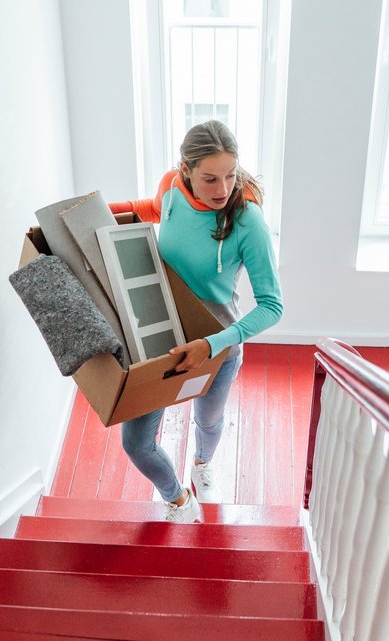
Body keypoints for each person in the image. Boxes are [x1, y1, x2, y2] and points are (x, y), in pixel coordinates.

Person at [109, 120, 283, 523]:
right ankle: (176, 499)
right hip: (160, 337)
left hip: (215, 348)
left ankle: (203, 464)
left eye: (230, 176)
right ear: (185, 170)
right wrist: (95, 210)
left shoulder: (247, 221)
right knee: (136, 443)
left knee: (208, 418)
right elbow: (154, 209)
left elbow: (272, 306)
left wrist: (215, 344)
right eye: (209, 178)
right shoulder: (171, 185)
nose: (222, 189)